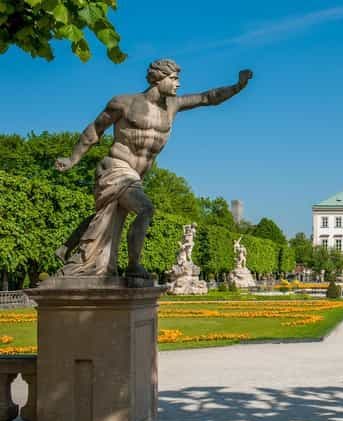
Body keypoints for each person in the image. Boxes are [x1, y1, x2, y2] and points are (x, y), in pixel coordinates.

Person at [54, 59, 253, 279]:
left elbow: (207, 97)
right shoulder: (124, 102)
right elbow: (95, 129)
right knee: (145, 209)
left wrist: (237, 87)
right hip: (115, 167)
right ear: (158, 79)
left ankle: (66, 247)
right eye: (174, 79)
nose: (178, 84)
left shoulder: (173, 105)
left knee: (107, 217)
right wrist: (72, 159)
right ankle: (133, 266)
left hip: (136, 175)